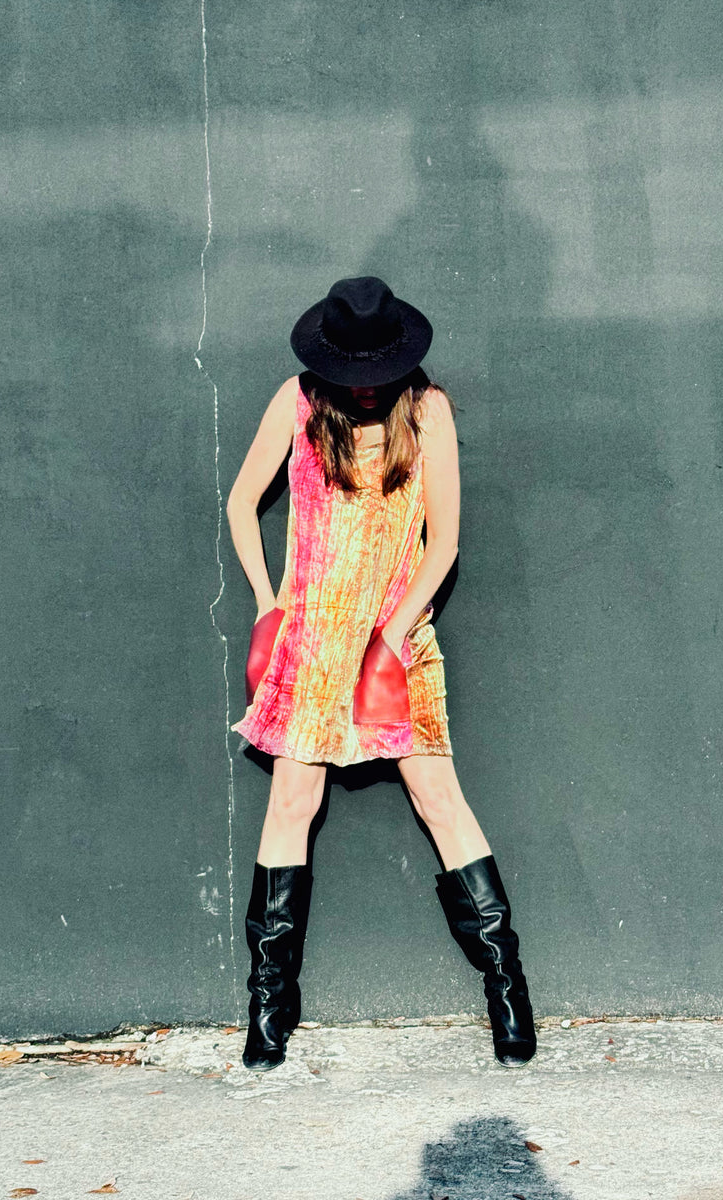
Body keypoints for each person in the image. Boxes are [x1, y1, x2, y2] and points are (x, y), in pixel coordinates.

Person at [225, 276, 537, 1071]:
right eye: (353, 372)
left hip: (396, 640)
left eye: (378, 371)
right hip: (312, 641)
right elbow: (240, 504)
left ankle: (508, 989)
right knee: (290, 804)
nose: (366, 386)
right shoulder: (297, 403)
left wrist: (391, 639)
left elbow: (445, 543)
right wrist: (267, 603)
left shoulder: (427, 411)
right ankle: (268, 1005)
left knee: (440, 800)